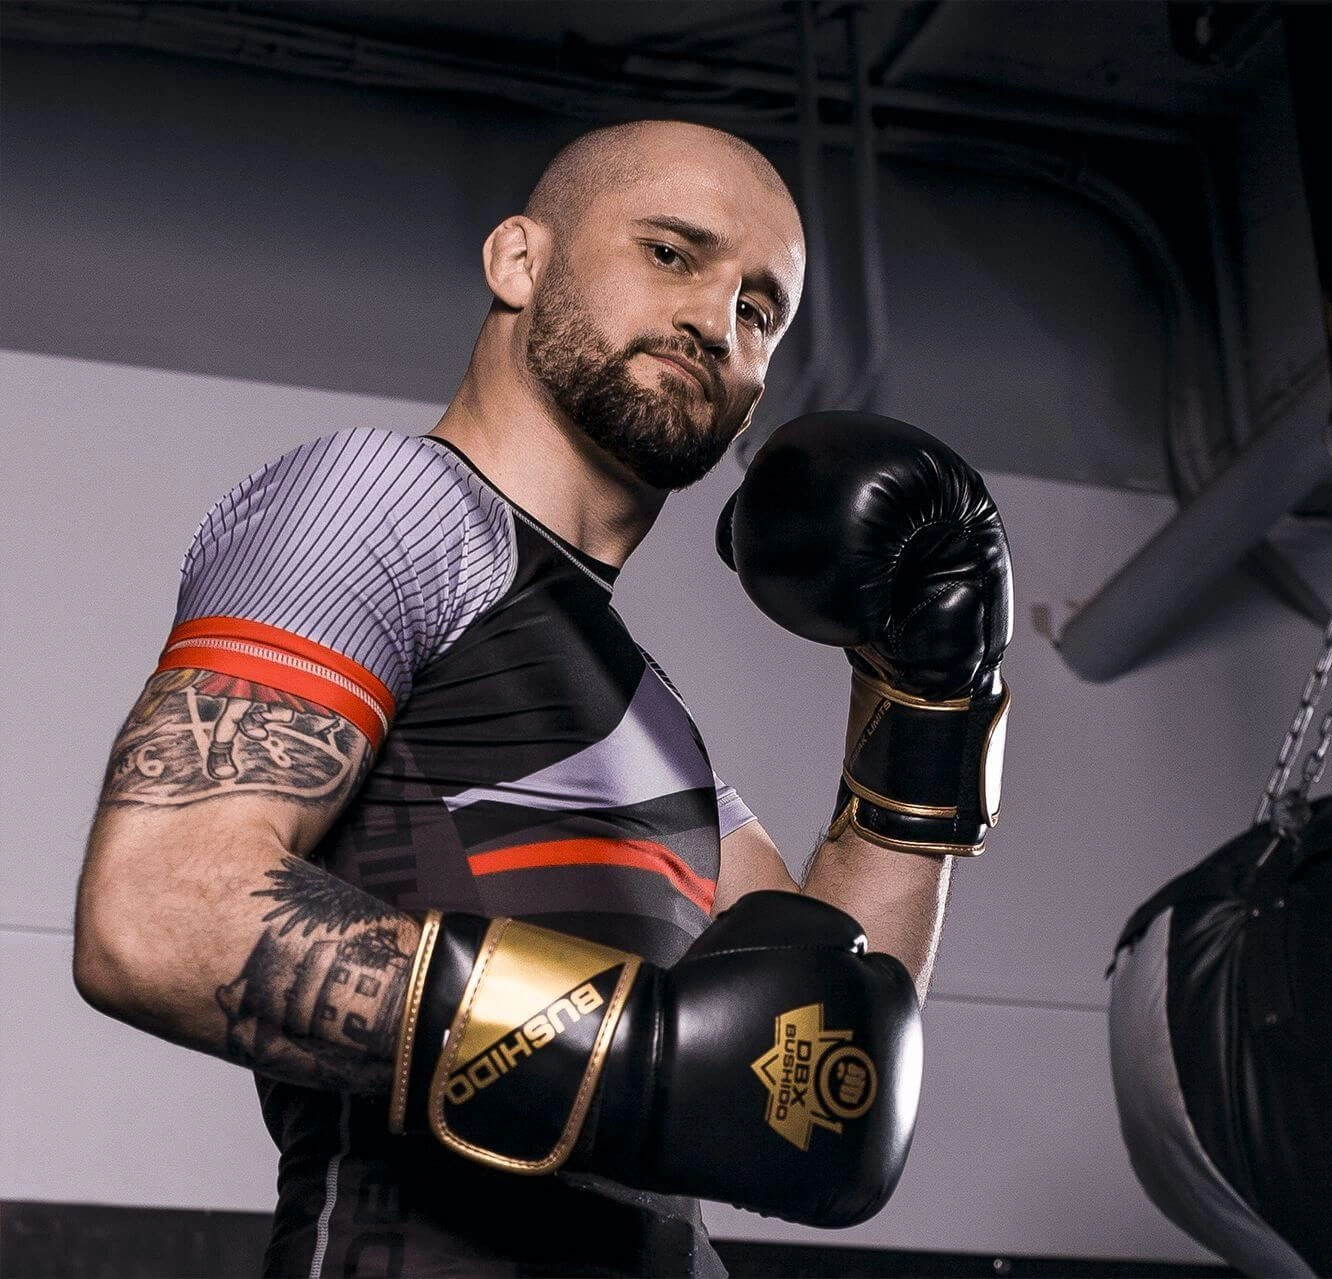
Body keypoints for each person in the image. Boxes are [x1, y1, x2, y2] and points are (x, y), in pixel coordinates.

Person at [73, 120, 1010, 1277]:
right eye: (671, 254)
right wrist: (639, 1058)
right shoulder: (389, 502)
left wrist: (925, 706)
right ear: (518, 260)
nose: (715, 321)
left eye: (760, 309)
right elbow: (156, 914)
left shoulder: (649, 715)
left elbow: (823, 1067)